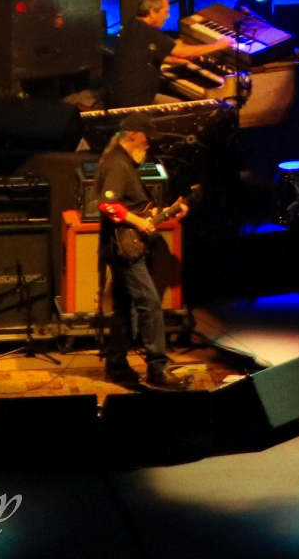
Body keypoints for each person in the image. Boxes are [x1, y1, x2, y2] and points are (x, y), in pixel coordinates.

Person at [97, 113, 188, 390]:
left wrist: (168, 211)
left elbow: (133, 205)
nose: (148, 143)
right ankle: (157, 369)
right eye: (146, 137)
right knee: (150, 304)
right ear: (133, 135)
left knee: (124, 307)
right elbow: (107, 204)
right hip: (124, 248)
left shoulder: (124, 161)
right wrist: (138, 222)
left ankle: (116, 365)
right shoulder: (117, 164)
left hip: (124, 246)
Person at [105, 0, 218, 108]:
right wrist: (219, 45)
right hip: (137, 101)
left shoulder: (133, 25)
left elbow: (146, 56)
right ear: (152, 12)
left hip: (122, 96)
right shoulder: (149, 32)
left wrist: (181, 61)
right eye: (166, 12)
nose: (168, 16)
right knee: (184, 108)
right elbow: (182, 51)